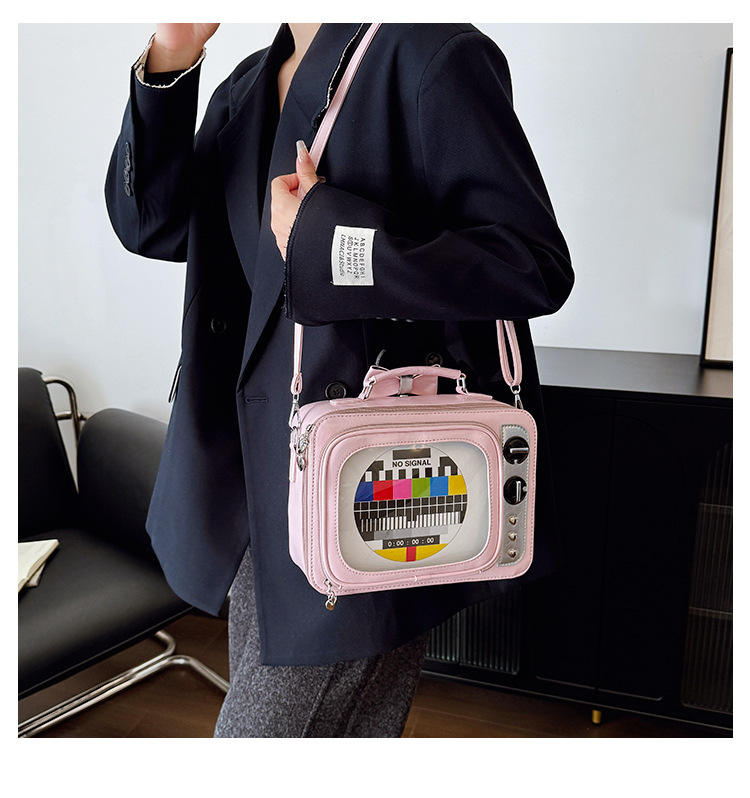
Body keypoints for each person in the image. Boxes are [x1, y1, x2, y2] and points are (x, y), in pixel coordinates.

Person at [105, 22, 574, 737]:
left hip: (369, 480)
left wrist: (328, 236)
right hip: (253, 472)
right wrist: (172, 52)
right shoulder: (248, 84)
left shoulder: (431, 54)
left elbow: (529, 263)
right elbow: (155, 224)